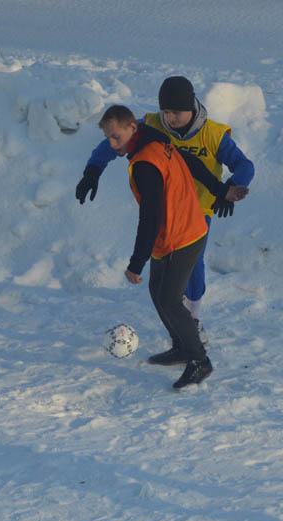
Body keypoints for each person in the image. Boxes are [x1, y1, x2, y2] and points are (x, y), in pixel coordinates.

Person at [77, 75, 254, 348]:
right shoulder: (152, 124)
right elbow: (113, 141)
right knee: (165, 273)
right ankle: (178, 321)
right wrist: (93, 170)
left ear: (192, 108)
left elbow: (244, 165)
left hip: (198, 210)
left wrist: (231, 186)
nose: (170, 118)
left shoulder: (214, 134)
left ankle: (193, 318)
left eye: (176, 112)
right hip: (167, 208)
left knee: (194, 264)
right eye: (166, 112)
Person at [90, 104, 246, 389]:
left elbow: (150, 217)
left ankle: (200, 360)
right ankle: (182, 346)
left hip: (182, 236)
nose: (112, 145)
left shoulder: (145, 164)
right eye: (108, 138)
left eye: (116, 137)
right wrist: (220, 189)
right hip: (174, 233)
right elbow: (190, 161)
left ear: (132, 128)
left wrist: (136, 264)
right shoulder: (154, 138)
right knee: (158, 292)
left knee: (171, 300)